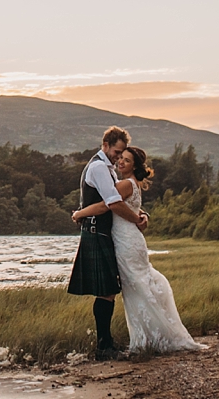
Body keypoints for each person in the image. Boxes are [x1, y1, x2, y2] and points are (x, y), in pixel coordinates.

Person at [79, 146, 208, 355]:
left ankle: (147, 338)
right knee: (138, 284)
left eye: (127, 160)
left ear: (135, 166)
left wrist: (79, 213)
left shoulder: (123, 184)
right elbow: (133, 210)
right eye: (120, 158)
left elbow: (105, 206)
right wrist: (142, 217)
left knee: (135, 286)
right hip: (131, 239)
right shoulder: (133, 184)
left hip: (126, 241)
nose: (121, 162)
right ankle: (149, 337)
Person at [67, 126, 147, 359]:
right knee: (106, 292)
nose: (118, 157)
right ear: (105, 146)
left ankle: (106, 344)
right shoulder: (99, 167)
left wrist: (141, 215)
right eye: (116, 152)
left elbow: (118, 201)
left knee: (108, 291)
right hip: (97, 233)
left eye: (122, 154)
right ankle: (104, 347)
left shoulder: (108, 169)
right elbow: (111, 203)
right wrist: (137, 220)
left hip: (103, 233)